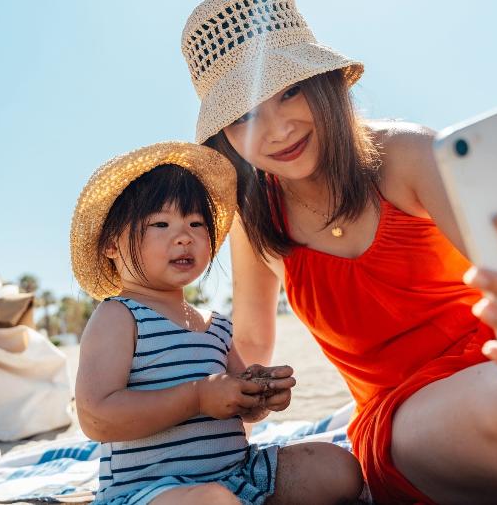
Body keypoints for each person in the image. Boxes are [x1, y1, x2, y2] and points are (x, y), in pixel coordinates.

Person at [179, 0, 497, 503]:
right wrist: (230, 395)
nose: (276, 129)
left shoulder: (405, 153)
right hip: (410, 415)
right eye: (245, 116)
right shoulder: (258, 221)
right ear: (225, 135)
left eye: (289, 90)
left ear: (325, 81)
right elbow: (249, 341)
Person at [70, 142, 364, 505]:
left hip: (235, 474)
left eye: (196, 223)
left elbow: (238, 404)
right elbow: (96, 418)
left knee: (337, 467)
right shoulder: (120, 316)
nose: (184, 236)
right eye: (160, 223)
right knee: (212, 501)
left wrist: (257, 395)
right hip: (148, 490)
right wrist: (197, 398)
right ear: (112, 245)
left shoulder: (215, 325)